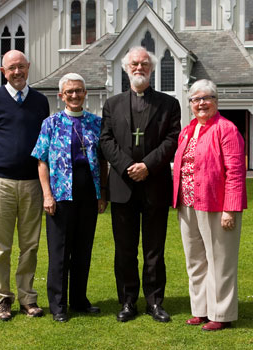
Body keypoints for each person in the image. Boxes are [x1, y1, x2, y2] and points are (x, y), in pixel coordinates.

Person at [100, 46, 181, 322]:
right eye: (134, 63)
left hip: (155, 184)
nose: (139, 68)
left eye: (144, 64)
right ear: (126, 68)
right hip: (123, 187)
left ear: (152, 68)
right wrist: (126, 166)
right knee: (124, 249)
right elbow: (106, 140)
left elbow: (172, 139)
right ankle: (128, 302)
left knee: (154, 249)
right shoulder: (112, 105)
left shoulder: (169, 104)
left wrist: (147, 165)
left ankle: (155, 302)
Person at [0, 50, 50, 321]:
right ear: (2, 71)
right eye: (11, 68)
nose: (17, 72)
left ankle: (27, 298)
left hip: (32, 182)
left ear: (28, 67)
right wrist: (0, 159)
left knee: (30, 245)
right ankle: (2, 299)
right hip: (1, 182)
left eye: (21, 67)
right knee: (1, 245)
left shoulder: (40, 101)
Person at [32, 73, 107, 322]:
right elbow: (42, 161)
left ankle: (79, 300)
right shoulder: (50, 123)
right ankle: (58, 304)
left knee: (83, 250)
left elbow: (102, 161)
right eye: (69, 91)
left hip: (88, 194)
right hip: (61, 196)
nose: (75, 95)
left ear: (85, 94)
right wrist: (47, 195)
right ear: (61, 95)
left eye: (79, 91)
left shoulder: (96, 123)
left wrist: (101, 194)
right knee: (60, 252)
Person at [173, 79, 247, 331]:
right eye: (196, 99)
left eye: (207, 98)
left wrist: (230, 208)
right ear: (190, 104)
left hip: (217, 205)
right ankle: (201, 309)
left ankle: (222, 313)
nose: (201, 103)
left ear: (216, 101)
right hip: (188, 204)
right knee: (195, 260)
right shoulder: (187, 130)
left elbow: (235, 172)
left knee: (220, 260)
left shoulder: (227, 129)